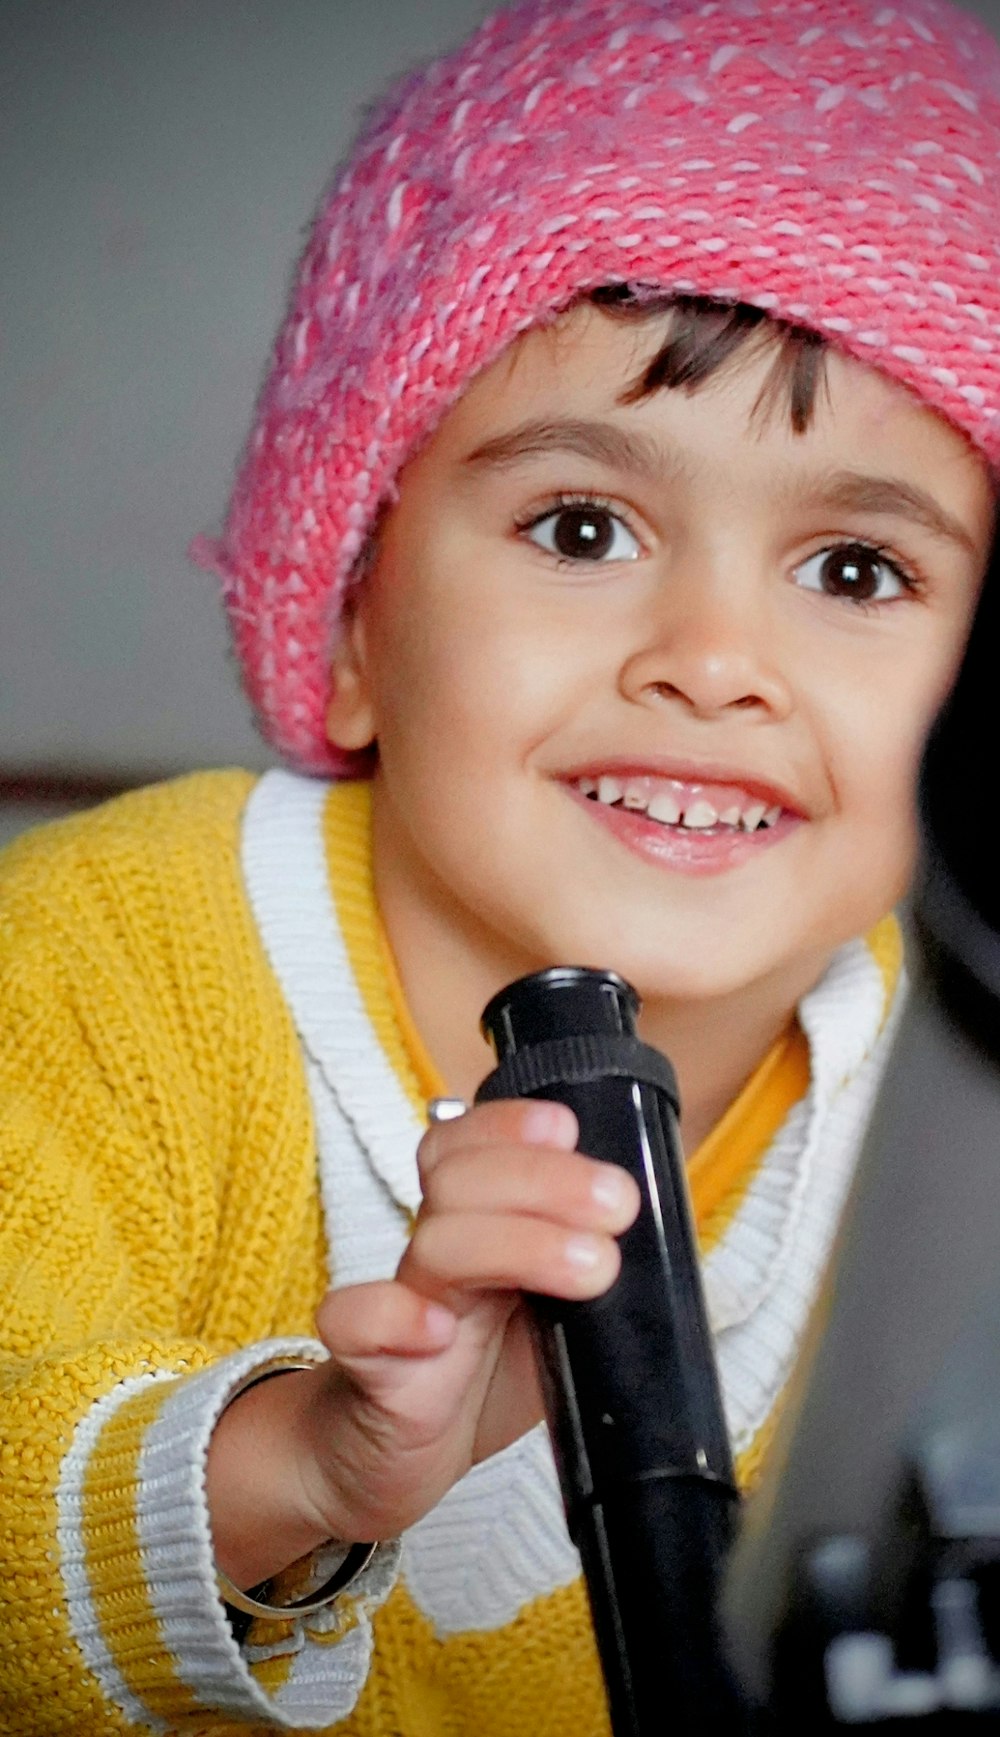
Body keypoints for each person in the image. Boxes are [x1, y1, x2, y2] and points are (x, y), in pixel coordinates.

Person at [2, 0, 999, 1731]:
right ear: (351, 627)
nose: (711, 657)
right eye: (581, 528)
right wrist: (304, 1464)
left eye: (853, 570)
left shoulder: (958, 1095)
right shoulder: (93, 968)